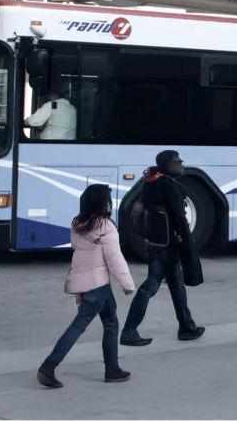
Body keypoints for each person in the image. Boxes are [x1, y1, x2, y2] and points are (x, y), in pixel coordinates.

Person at [37, 184, 135, 388]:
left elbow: (79, 251)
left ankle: (112, 369)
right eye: (108, 199)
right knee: (80, 325)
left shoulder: (77, 223)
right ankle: (48, 366)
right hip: (98, 283)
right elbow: (115, 258)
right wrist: (127, 284)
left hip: (86, 280)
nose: (110, 203)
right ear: (102, 203)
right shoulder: (105, 226)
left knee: (111, 322)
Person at [121, 150, 205, 347]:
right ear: (168, 165)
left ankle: (187, 327)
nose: (181, 164)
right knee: (152, 285)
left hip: (156, 242)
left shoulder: (150, 181)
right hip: (168, 245)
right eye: (177, 161)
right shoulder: (168, 184)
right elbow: (178, 216)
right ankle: (129, 330)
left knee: (176, 285)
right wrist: (187, 240)